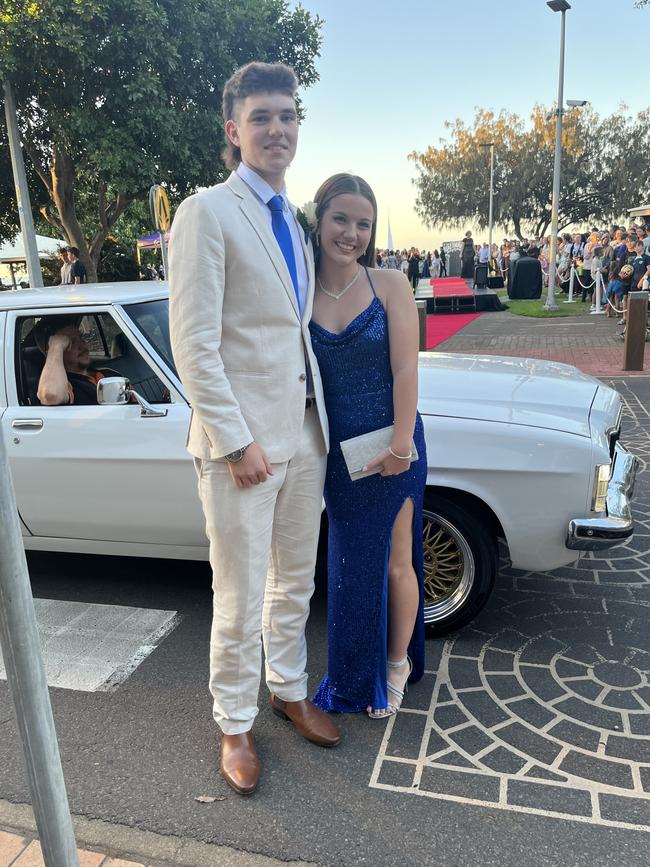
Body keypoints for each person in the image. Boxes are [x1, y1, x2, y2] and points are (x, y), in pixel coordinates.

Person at [168, 61, 340, 797]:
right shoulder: (205, 211)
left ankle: (287, 686)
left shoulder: (293, 223)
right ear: (234, 131)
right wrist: (236, 442)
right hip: (242, 448)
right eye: (262, 116)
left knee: (295, 582)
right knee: (239, 595)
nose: (278, 128)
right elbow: (193, 342)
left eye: (288, 115)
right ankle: (235, 721)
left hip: (305, 434)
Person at [307, 173, 427, 718]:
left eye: (363, 223)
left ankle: (396, 663)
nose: (351, 233)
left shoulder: (390, 284)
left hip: (394, 444)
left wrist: (401, 444)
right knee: (350, 568)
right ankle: (354, 674)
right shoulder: (299, 288)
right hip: (340, 455)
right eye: (341, 219)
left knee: (397, 561)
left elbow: (405, 367)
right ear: (319, 219)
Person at [35, 319, 104, 405]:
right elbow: (50, 395)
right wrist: (56, 345)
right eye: (71, 342)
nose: (82, 346)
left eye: (81, 339)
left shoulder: (105, 372)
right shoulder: (66, 386)